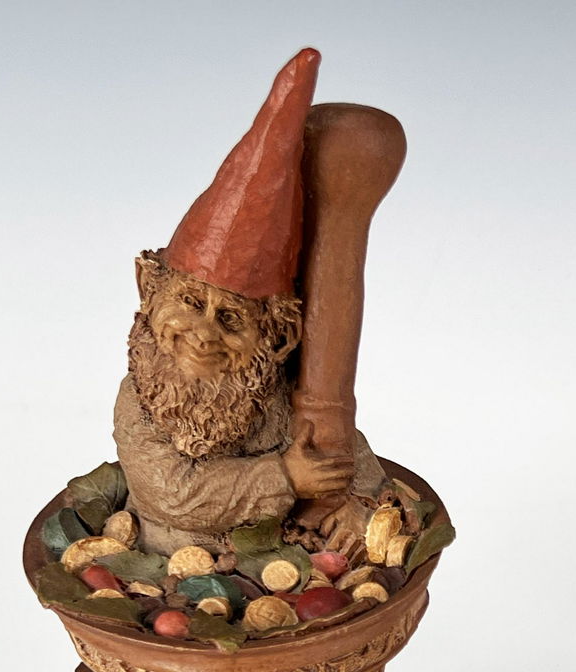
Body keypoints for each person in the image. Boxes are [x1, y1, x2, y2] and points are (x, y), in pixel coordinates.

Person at [112, 48, 382, 558]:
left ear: (277, 337)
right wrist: (284, 477)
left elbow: (345, 452)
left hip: (282, 560)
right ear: (148, 287)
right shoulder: (141, 401)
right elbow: (173, 492)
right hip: (172, 559)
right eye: (189, 301)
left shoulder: (276, 394)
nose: (203, 333)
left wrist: (359, 499)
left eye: (232, 318)